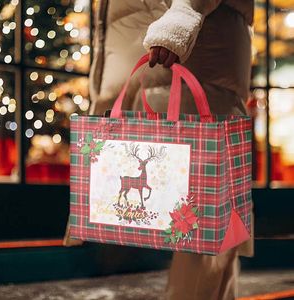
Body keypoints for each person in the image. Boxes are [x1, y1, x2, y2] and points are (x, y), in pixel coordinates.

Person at [65, 0, 254, 299]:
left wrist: (183, 14)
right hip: (140, 53)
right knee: (208, 220)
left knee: (202, 217)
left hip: (192, 46)